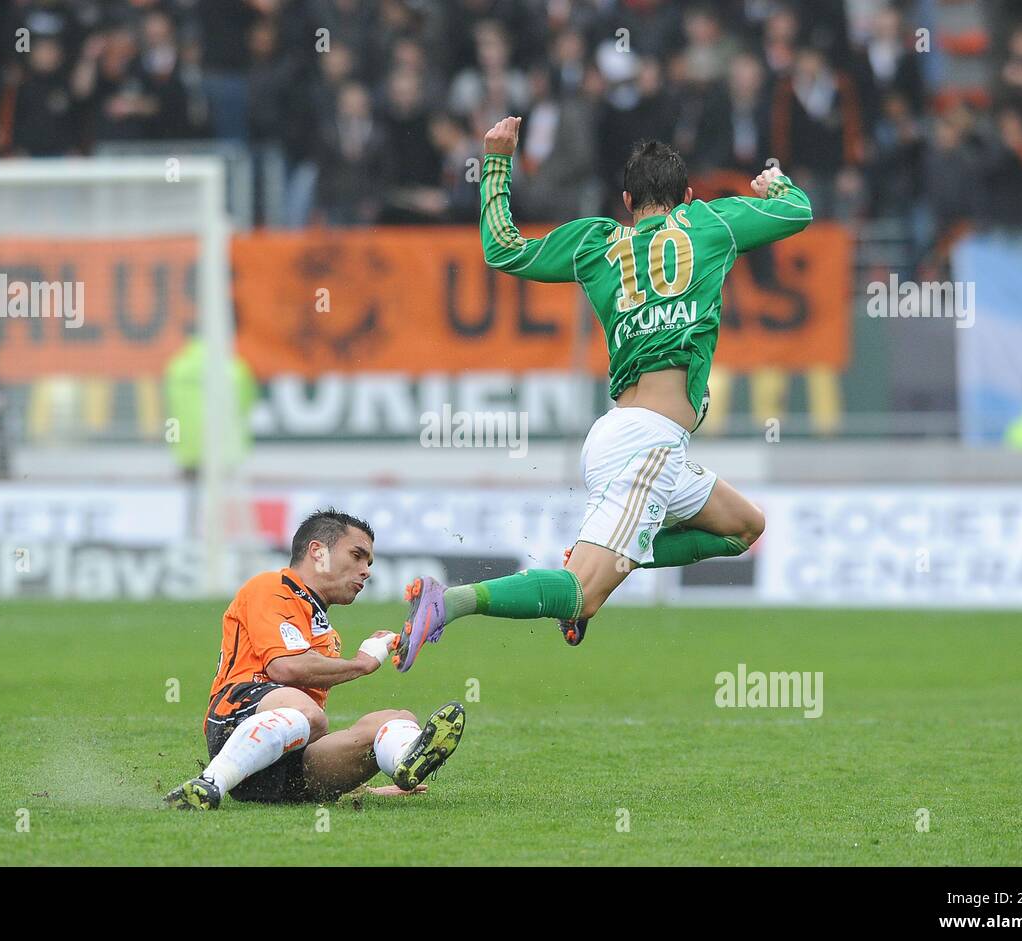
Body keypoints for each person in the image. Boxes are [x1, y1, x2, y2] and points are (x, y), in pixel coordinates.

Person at [391, 116, 812, 672]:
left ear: (626, 199)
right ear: (686, 196)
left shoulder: (596, 243)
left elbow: (503, 250)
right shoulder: (710, 224)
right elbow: (799, 210)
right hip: (647, 448)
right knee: (580, 595)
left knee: (743, 528)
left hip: (632, 439)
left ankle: (610, 554)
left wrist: (495, 161)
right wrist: (774, 183)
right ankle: (452, 602)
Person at [165, 509, 465, 809]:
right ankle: (210, 783)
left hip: (290, 760)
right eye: (357, 555)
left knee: (398, 720)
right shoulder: (270, 587)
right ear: (318, 552)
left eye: (369, 562)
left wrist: (361, 790)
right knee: (309, 715)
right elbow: (285, 667)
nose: (366, 570)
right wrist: (360, 663)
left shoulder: (327, 633)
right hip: (235, 720)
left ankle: (404, 762)